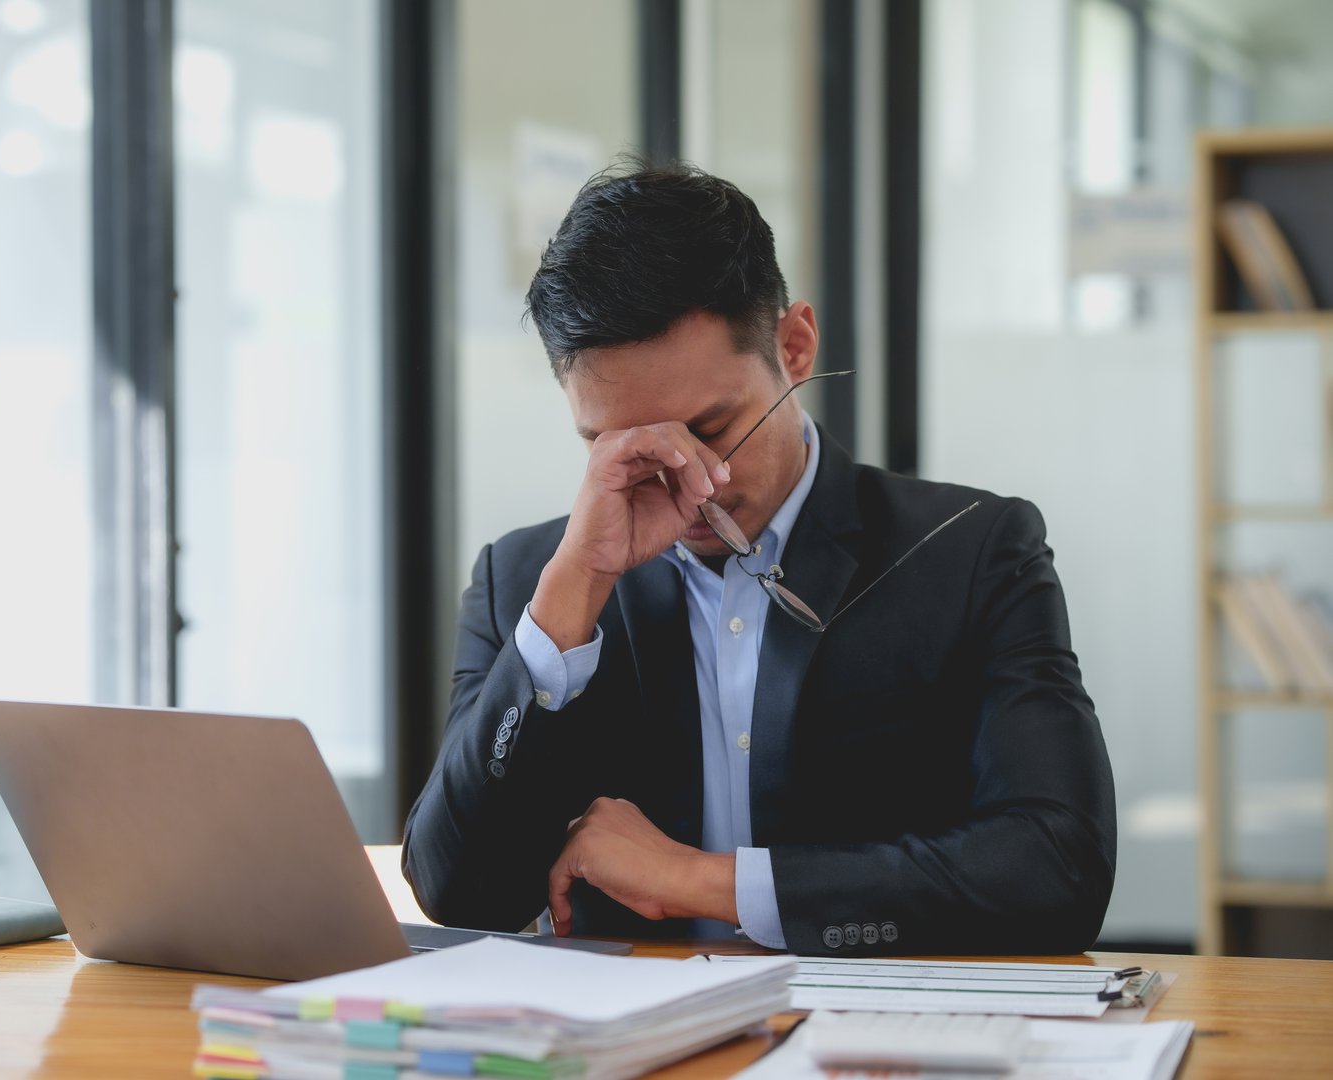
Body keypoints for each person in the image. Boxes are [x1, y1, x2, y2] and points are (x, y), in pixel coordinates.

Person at [402, 161, 1115, 954]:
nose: (685, 484)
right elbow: (456, 890)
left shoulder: (971, 550)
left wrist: (703, 881)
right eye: (618, 447)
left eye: (709, 429)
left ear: (795, 346)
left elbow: (1060, 870)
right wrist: (570, 601)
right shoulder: (529, 583)